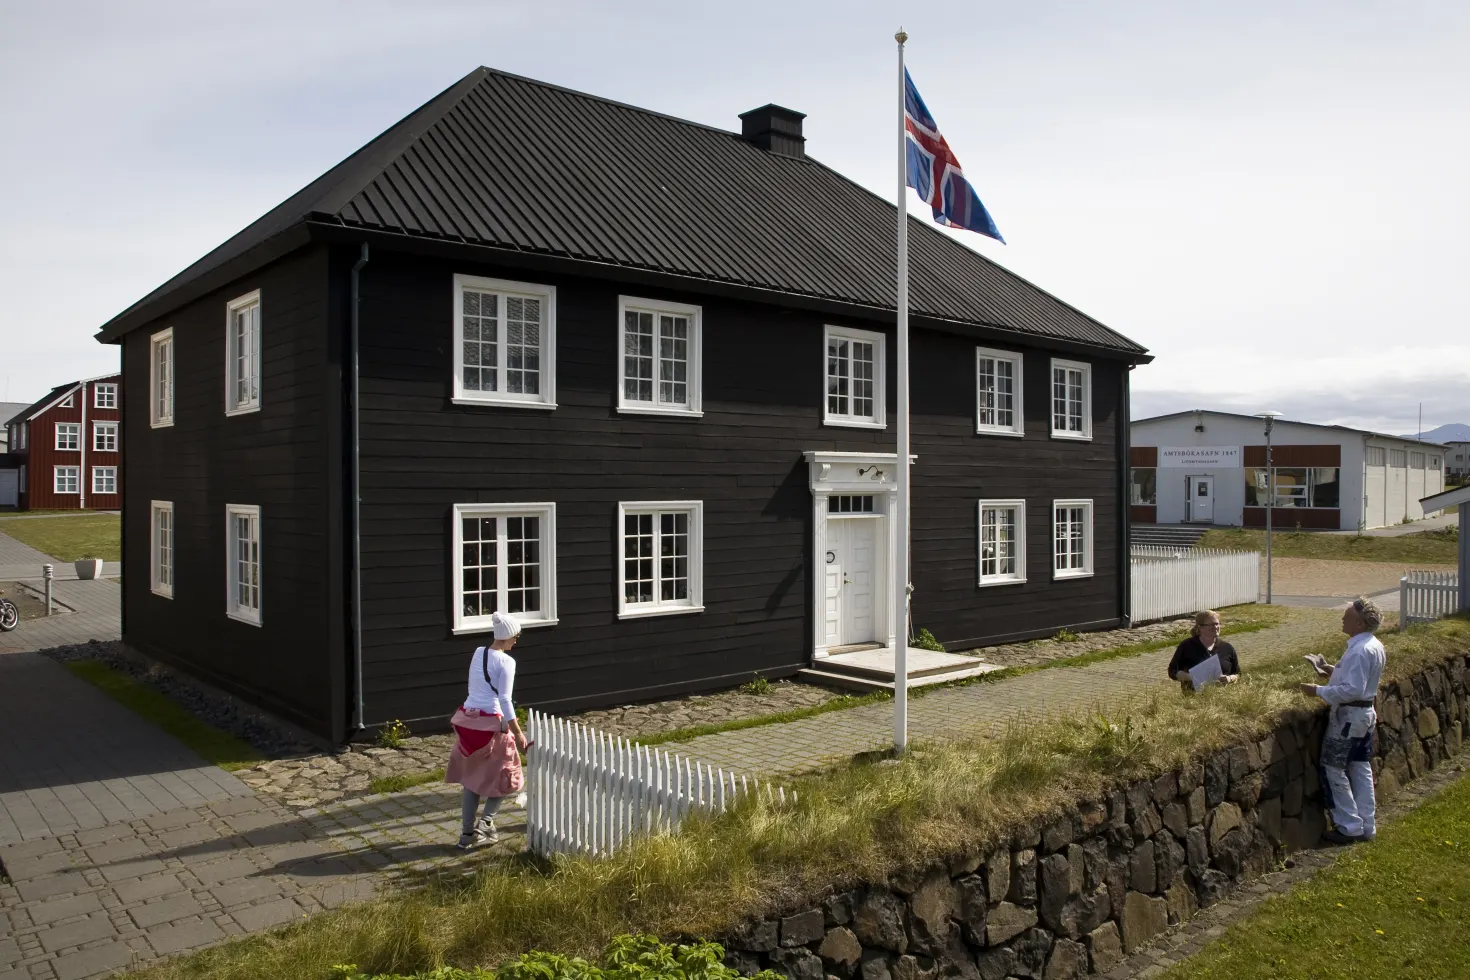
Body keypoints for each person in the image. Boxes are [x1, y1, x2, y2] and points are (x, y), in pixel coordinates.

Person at [1299, 596, 1386, 845]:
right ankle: (1367, 824)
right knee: (1360, 767)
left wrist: (1318, 690)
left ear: (1359, 623)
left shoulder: (1359, 650)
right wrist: (1328, 669)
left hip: (1349, 716)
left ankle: (1349, 826)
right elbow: (1358, 680)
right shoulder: (1372, 644)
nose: (1342, 618)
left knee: (1333, 768)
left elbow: (1352, 689)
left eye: (1347, 616)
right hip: (1363, 714)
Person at [446, 611, 529, 851]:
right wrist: (518, 733)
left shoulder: (478, 653)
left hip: (468, 722)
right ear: (507, 636)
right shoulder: (506, 662)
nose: (516, 640)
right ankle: (487, 822)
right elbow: (505, 699)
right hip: (492, 725)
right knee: (508, 777)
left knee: (471, 781)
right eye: (516, 636)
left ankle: (466, 834)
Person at [1167, 609, 1240, 692]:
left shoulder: (1227, 648)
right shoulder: (1187, 646)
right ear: (1200, 627)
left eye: (1217, 624)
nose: (1215, 627)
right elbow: (1172, 671)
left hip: (1223, 698)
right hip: (1194, 699)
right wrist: (1192, 677)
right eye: (1211, 625)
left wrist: (1229, 678)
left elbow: (1238, 673)